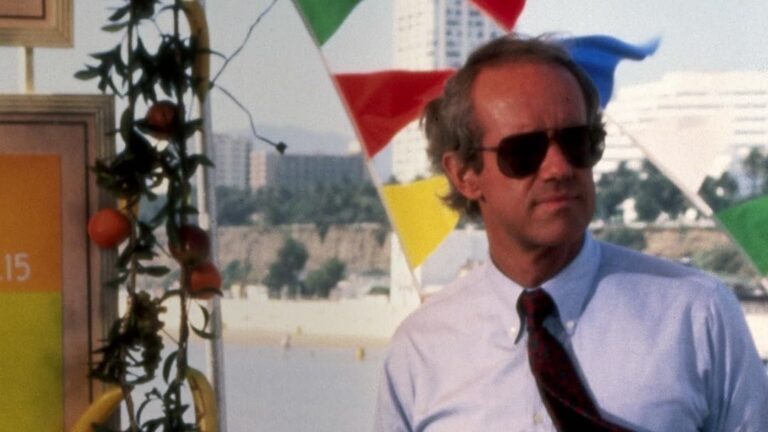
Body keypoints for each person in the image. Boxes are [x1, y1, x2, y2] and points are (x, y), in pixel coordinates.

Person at [374, 34, 768, 431]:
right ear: (464, 175)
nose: (559, 168)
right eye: (524, 151)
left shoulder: (696, 316)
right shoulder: (421, 350)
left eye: (577, 142)